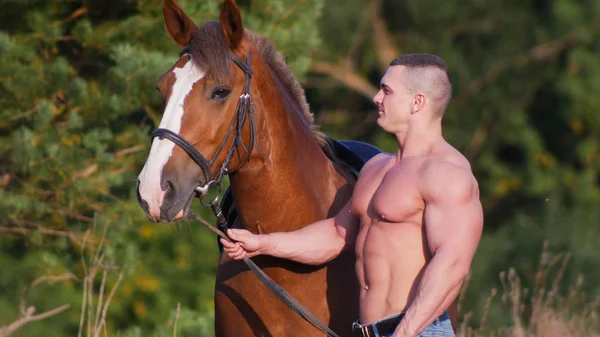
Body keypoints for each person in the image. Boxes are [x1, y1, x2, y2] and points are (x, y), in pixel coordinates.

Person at [221, 53, 484, 337]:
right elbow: (337, 234)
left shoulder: (447, 174)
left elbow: (453, 264)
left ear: (417, 102)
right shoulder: (375, 167)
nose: (376, 98)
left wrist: (404, 332)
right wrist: (261, 243)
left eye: (387, 90)